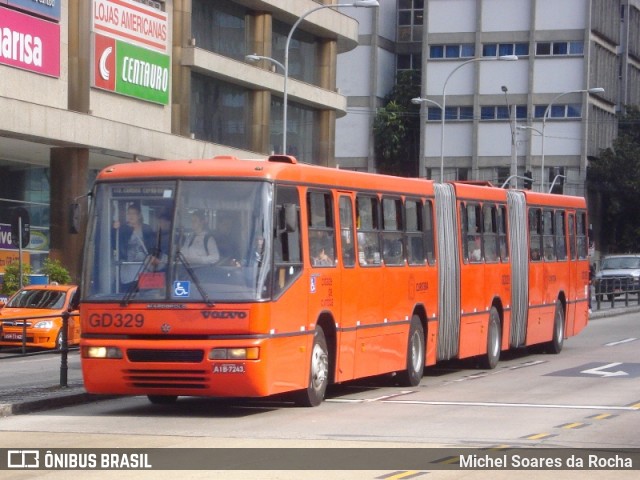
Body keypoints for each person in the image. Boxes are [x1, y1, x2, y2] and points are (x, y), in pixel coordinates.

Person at [113, 202, 156, 286]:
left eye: (134, 213)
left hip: (144, 267)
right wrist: (115, 230)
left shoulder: (146, 229)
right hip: (127, 266)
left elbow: (152, 246)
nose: (131, 216)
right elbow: (115, 244)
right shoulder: (123, 229)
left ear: (139, 215)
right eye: (129, 213)